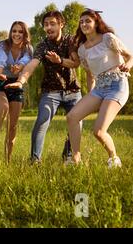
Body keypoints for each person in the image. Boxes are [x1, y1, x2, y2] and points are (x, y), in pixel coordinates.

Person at [6, 11, 81, 164]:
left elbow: (76, 62)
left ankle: (68, 155)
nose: (48, 27)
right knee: (41, 121)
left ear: (61, 24)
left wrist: (59, 60)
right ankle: (35, 160)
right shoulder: (43, 45)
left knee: (77, 123)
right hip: (51, 91)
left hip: (73, 90)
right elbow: (32, 65)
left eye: (52, 24)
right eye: (46, 25)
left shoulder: (70, 41)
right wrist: (21, 81)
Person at [66, 9, 133, 167]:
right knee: (72, 117)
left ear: (96, 22)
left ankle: (113, 159)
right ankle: (76, 158)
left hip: (118, 84)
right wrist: (91, 95)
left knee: (98, 131)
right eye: (81, 21)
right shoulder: (82, 49)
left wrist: (128, 65)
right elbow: (90, 74)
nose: (84, 24)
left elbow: (130, 56)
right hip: (99, 88)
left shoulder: (108, 38)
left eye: (87, 21)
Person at [0, 21, 33, 162]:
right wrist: (0, 72)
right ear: (11, 32)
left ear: (24, 33)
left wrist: (20, 66)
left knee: (13, 125)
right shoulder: (3, 45)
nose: (16, 34)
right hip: (1, 81)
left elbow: (27, 59)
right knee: (3, 107)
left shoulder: (28, 48)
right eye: (14, 31)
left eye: (20, 31)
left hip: (16, 84)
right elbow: (0, 58)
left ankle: (7, 160)